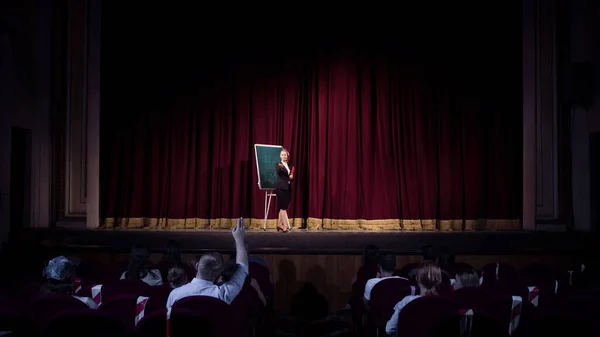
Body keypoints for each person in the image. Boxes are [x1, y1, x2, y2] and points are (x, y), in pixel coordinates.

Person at [166, 217, 248, 308]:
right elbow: (243, 268)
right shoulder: (222, 294)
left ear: (197, 266)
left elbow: (169, 320)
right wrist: (239, 239)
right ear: (219, 275)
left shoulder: (175, 295)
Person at [385, 261, 442, 336]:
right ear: (439, 280)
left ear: (417, 279)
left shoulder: (407, 301)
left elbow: (389, 329)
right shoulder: (445, 304)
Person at [275, 148, 294, 232]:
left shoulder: (290, 166)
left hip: (288, 188)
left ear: (287, 156)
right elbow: (278, 172)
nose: (283, 156)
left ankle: (279, 224)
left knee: (284, 207)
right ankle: (284, 226)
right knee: (283, 208)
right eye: (282, 155)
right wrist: (280, 167)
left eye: (285, 155)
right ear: (280, 156)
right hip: (281, 188)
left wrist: (292, 177)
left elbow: (290, 176)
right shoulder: (278, 165)